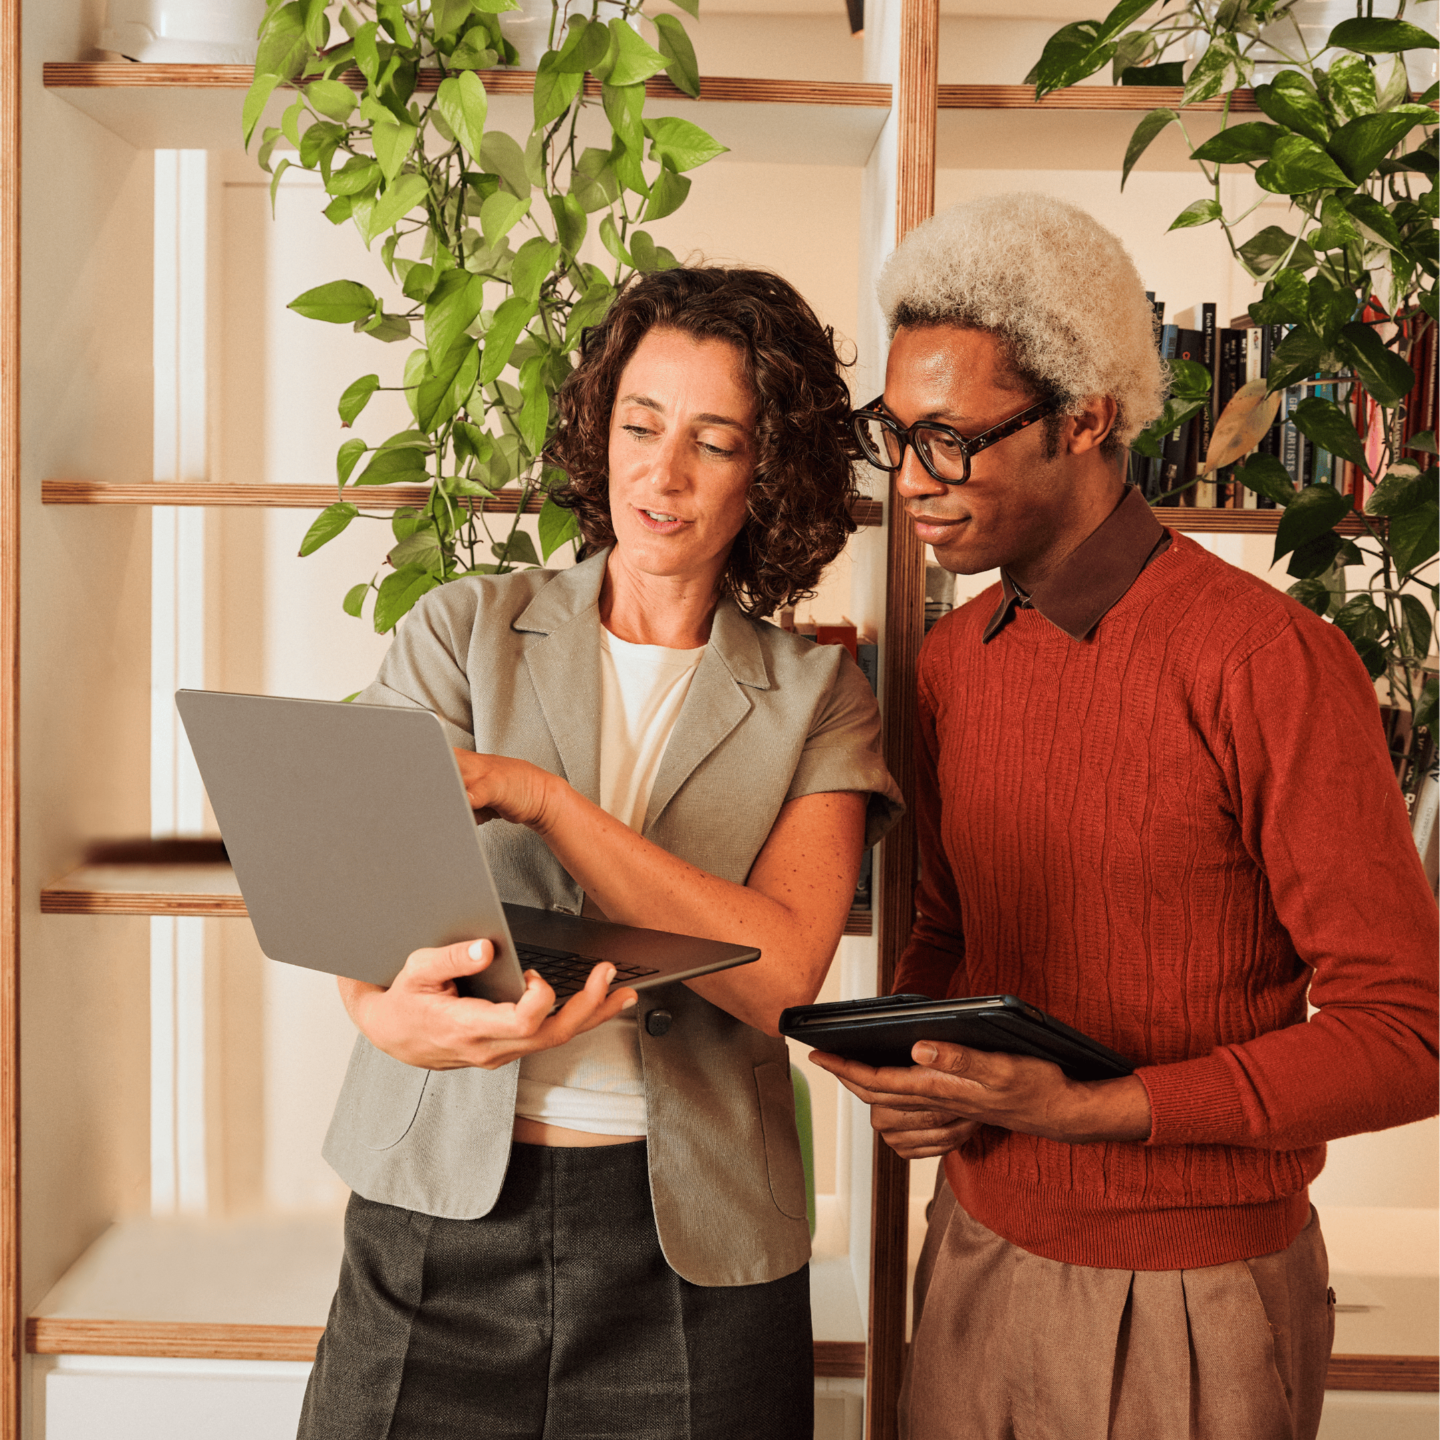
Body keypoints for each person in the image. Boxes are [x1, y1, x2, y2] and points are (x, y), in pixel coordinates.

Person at [810, 193, 1439, 1440]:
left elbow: (1409, 1030)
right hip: (977, 1255)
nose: (909, 480)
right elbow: (948, 928)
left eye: (948, 439)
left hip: (1194, 1295)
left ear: (1087, 418)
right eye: (895, 432)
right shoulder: (955, 660)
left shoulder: (1269, 661)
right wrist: (912, 1070)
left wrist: (1101, 1108)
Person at [296, 265, 902, 1440]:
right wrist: (381, 1012)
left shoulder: (820, 694)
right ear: (599, 428)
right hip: (436, 1218)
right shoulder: (462, 631)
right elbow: (352, 891)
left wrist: (544, 801)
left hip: (696, 1253)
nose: (660, 473)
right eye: (639, 424)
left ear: (768, 472)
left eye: (713, 441)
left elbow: (779, 976)